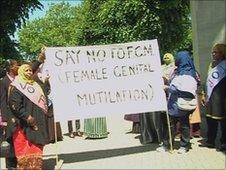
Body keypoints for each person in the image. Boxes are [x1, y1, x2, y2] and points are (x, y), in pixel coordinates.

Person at [156, 51, 199, 154]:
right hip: (174, 104)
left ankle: (184, 146)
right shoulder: (177, 71)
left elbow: (182, 88)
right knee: (171, 124)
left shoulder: (191, 73)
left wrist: (168, 88)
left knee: (183, 125)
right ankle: (167, 144)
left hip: (183, 103)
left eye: (178, 58)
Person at [8, 64, 49, 169]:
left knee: (36, 147)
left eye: (30, 70)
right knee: (25, 149)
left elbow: (44, 97)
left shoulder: (35, 85)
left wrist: (47, 83)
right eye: (27, 70)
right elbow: (15, 105)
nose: (29, 72)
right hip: (23, 124)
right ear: (21, 72)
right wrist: (27, 117)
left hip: (37, 121)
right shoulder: (16, 86)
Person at [199, 43, 226, 151]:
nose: (213, 54)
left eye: (216, 52)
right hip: (211, 98)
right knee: (210, 121)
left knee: (224, 122)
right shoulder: (212, 65)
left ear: (222, 53)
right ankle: (211, 140)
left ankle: (224, 142)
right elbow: (208, 82)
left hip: (222, 98)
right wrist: (204, 94)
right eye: (212, 52)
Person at [0, 59, 19, 169]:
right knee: (10, 140)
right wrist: (5, 119)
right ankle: (11, 165)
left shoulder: (19, 79)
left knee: (18, 139)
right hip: (9, 116)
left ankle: (19, 162)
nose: (18, 67)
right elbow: (2, 100)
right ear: (11, 67)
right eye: (16, 65)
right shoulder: (4, 81)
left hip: (18, 115)